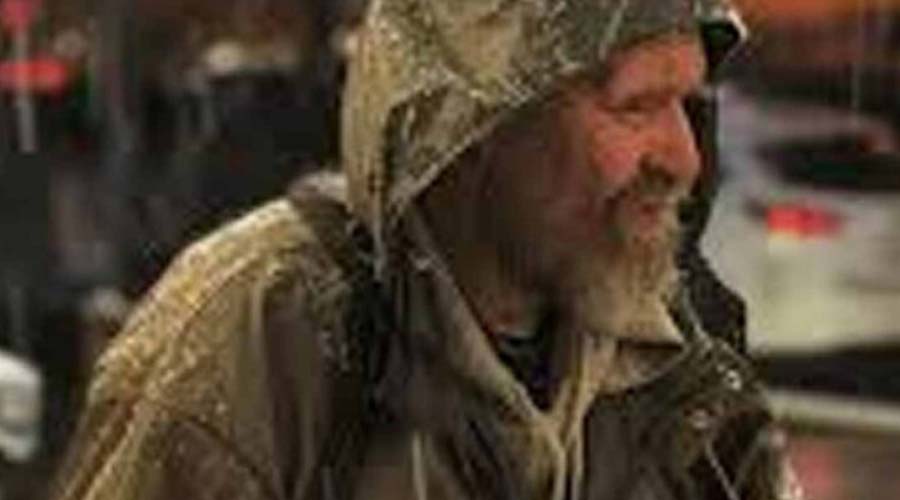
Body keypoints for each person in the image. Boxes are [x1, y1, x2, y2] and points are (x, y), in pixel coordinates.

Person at [52, 0, 805, 499]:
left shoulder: (670, 372)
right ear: (475, 126)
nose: (682, 158)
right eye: (636, 105)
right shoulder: (257, 346)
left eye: (687, 104)